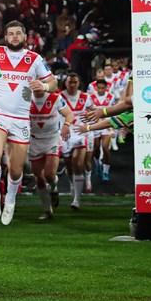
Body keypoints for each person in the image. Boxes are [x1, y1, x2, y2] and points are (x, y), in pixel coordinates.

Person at [0, 20, 58, 225]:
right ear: (6, 37)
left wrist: (43, 86)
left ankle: (10, 199)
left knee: (16, 170)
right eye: (11, 33)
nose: (15, 36)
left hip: (20, 119)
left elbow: (53, 82)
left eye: (18, 33)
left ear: (25, 37)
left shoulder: (34, 59)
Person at [29, 87, 74, 220]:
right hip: (34, 140)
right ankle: (47, 210)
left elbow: (69, 113)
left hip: (52, 139)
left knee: (49, 174)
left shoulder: (55, 98)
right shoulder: (25, 97)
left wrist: (66, 125)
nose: (37, 88)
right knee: (39, 177)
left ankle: (54, 188)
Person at [59, 73, 92, 209]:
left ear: (79, 83)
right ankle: (73, 184)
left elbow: (91, 112)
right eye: (70, 82)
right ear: (65, 83)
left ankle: (77, 199)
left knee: (78, 162)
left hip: (80, 133)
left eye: (75, 82)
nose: (72, 84)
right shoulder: (59, 97)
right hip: (65, 133)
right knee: (69, 164)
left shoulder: (86, 97)